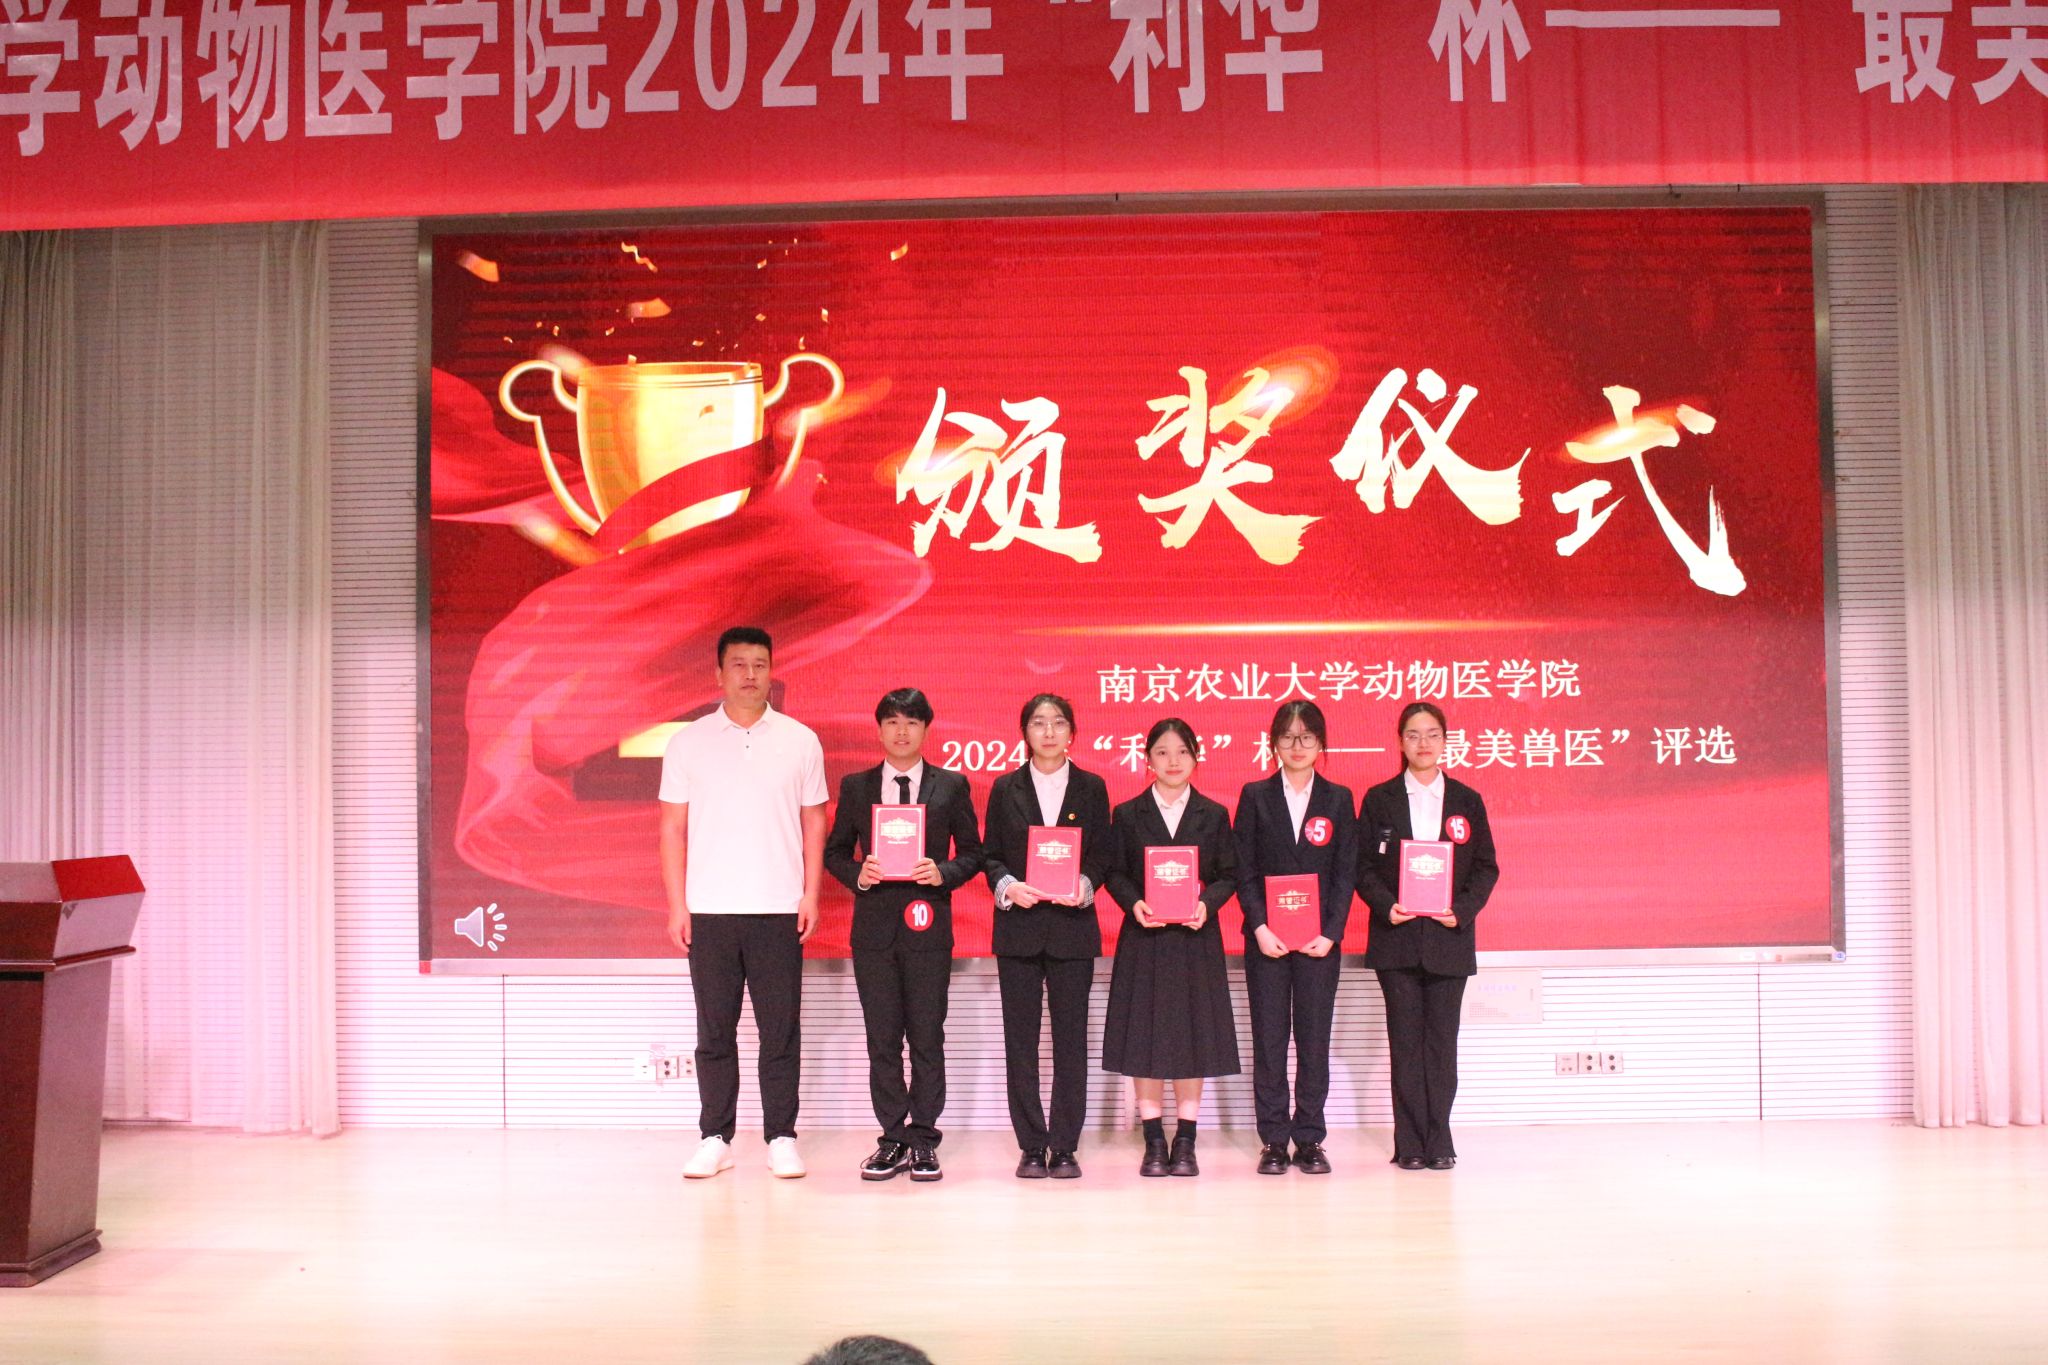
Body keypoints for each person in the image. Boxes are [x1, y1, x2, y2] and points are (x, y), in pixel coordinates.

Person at [658, 626, 828, 1181]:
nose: (750, 674)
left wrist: (810, 893)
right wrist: (678, 904)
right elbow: (672, 827)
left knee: (780, 1031)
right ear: (718, 674)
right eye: (738, 664)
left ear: (772, 671)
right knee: (715, 1032)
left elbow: (814, 821)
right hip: (709, 910)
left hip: (779, 908)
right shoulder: (689, 742)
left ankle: (782, 1136)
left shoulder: (800, 740)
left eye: (759, 664)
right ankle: (715, 1137)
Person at [824, 687, 983, 1183]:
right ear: (879, 730)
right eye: (892, 721)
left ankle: (925, 1139)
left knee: (927, 1037)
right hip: (873, 932)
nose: (901, 731)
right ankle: (892, 1137)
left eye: (912, 722)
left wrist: (943, 872)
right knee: (883, 1039)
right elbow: (834, 853)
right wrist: (858, 874)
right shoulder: (857, 787)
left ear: (926, 729)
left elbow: (974, 853)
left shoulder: (950, 786)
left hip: (928, 928)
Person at [1355, 701, 1501, 1171]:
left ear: (1444, 741)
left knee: (1441, 1046)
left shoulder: (1466, 800)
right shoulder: (1379, 799)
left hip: (1448, 940)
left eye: (1432, 734)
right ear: (1401, 741)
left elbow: (1486, 867)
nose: (1423, 743)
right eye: (1414, 735)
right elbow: (1362, 868)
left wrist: (1461, 911)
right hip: (1396, 939)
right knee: (1405, 1045)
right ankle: (1409, 1144)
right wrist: (1386, 906)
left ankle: (1439, 1140)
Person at [1100, 718, 1241, 1177]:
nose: (1173, 761)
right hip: (1145, 937)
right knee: (1144, 1036)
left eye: (1182, 752)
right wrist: (1133, 903)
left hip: (1195, 938)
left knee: (1192, 1035)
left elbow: (1228, 875)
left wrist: (1207, 904)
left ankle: (1186, 1140)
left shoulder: (1213, 814)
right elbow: (1114, 872)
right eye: (1162, 752)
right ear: (1148, 760)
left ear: (1195, 758)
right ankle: (1154, 1140)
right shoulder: (1128, 813)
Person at [982, 693, 1114, 1180]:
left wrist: (1086, 884)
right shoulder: (1005, 788)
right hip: (1018, 929)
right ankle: (1031, 1145)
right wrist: (1007, 886)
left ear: (1072, 732)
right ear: (1025, 733)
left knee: (1070, 1042)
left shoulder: (1092, 787)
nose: (1049, 732)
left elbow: (1103, 854)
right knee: (1021, 1043)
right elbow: (990, 855)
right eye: (1039, 723)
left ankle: (1064, 1146)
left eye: (1058, 723)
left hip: (1072, 930)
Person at [1233, 700, 1359, 1176]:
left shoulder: (1339, 799)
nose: (1297, 745)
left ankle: (1309, 1138)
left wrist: (1331, 933)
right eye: (1287, 737)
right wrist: (1260, 927)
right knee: (1269, 1041)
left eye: (1306, 737)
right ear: (1274, 744)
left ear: (1320, 743)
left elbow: (1345, 874)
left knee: (1313, 1040)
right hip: (1266, 942)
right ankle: (1273, 1139)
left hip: (1318, 945)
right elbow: (1243, 869)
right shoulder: (1255, 795)